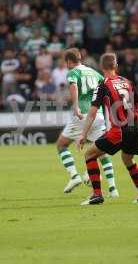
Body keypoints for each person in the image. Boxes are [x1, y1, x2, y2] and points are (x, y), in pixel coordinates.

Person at [77, 53, 138, 205]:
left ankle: (97, 195)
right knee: (128, 159)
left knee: (89, 154)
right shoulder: (127, 82)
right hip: (134, 128)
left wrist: (83, 134)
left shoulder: (103, 85)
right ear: (116, 66)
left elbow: (92, 112)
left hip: (119, 130)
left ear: (101, 67)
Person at [56, 48, 118, 197]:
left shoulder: (72, 73)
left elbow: (74, 87)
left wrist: (76, 106)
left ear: (69, 62)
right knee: (100, 151)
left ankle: (74, 176)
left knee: (62, 145)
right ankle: (112, 188)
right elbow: (106, 89)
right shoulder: (93, 72)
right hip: (98, 115)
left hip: (82, 115)